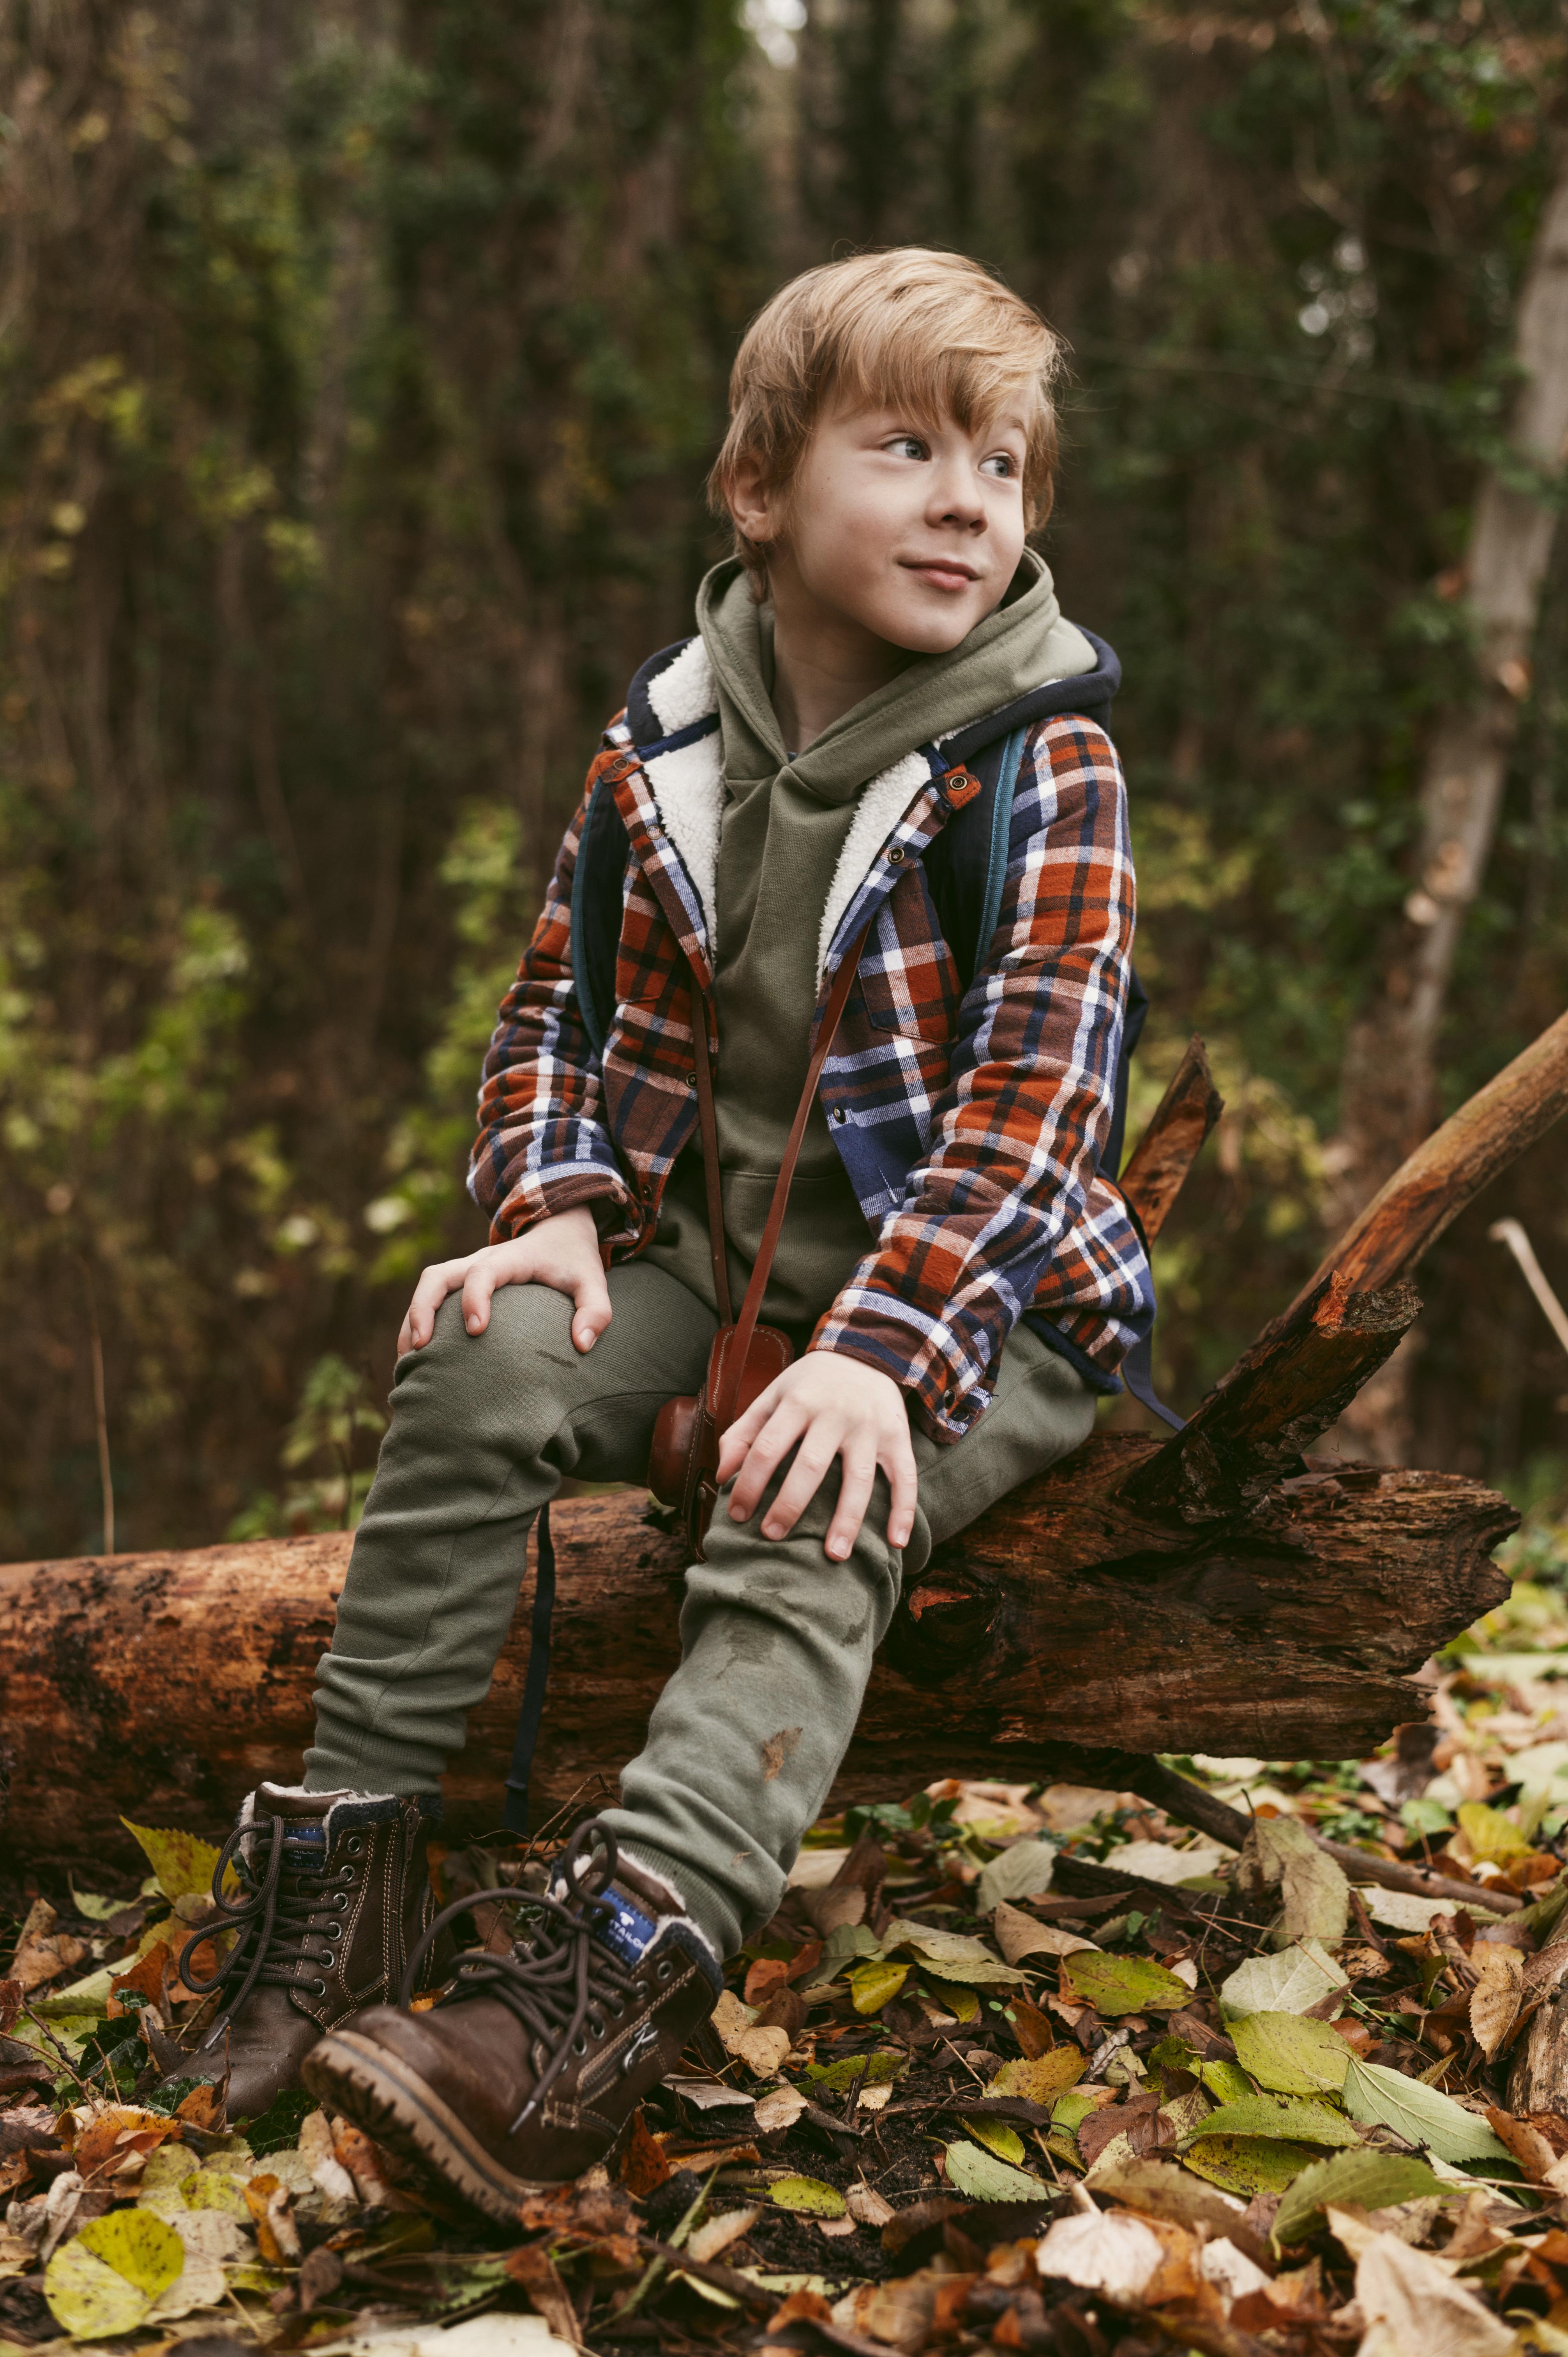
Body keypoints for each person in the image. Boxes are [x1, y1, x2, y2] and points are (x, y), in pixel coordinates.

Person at [174, 247, 1152, 2217]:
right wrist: (549, 1204)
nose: (970, 499)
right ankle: (342, 1896)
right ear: (758, 488)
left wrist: (877, 1357)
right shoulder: (668, 743)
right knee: (473, 1365)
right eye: (906, 447)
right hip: (702, 1257)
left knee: (804, 1498)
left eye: (1005, 462)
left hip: (977, 1296)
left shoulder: (1041, 756)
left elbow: (1036, 1105)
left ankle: (600, 1985)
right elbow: (555, 1008)